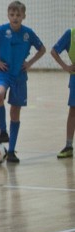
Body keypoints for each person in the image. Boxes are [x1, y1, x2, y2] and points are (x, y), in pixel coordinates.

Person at [0, 1, 46, 163]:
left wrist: (30, 62)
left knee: (15, 113)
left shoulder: (28, 33)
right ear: (8, 15)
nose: (15, 18)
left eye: (18, 15)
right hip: (4, 73)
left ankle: (11, 151)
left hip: (19, 76)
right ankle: (3, 131)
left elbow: (42, 49)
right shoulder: (0, 31)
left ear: (24, 16)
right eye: (12, 15)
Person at [49, 26, 74, 158]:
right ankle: (69, 146)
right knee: (73, 111)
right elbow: (54, 51)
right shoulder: (71, 34)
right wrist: (65, 66)